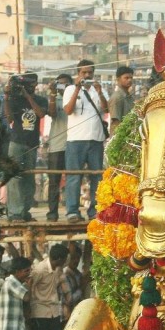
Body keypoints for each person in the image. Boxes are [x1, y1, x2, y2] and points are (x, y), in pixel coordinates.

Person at [62, 60, 108, 222]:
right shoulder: (69, 89)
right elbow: (68, 110)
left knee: (96, 177)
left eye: (90, 73)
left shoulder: (98, 90)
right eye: (84, 73)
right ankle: (72, 211)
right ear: (78, 73)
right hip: (76, 139)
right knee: (74, 177)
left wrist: (100, 92)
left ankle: (94, 211)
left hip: (96, 139)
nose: (87, 75)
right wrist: (77, 89)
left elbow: (106, 109)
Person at [4, 74, 47, 223]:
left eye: (31, 84)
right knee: (14, 177)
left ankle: (25, 211)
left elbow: (40, 114)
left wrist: (28, 97)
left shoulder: (41, 99)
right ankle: (15, 213)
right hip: (16, 142)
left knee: (29, 178)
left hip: (32, 143)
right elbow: (9, 119)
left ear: (35, 84)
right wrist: (6, 97)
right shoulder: (15, 99)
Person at [44, 73, 71, 222]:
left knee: (72, 180)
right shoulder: (55, 99)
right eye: (59, 84)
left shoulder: (76, 98)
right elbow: (52, 113)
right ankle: (52, 213)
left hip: (73, 145)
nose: (63, 87)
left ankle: (71, 211)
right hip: (56, 145)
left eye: (65, 84)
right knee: (54, 181)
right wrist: (53, 94)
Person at [0, 257, 32, 330]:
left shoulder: (15, 283)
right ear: (17, 271)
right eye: (26, 271)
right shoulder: (11, 282)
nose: (29, 273)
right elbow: (27, 297)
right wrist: (30, 285)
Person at [109, 66, 136, 136]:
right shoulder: (117, 97)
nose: (129, 80)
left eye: (131, 78)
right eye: (126, 78)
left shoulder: (129, 97)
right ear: (118, 79)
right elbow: (115, 122)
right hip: (120, 137)